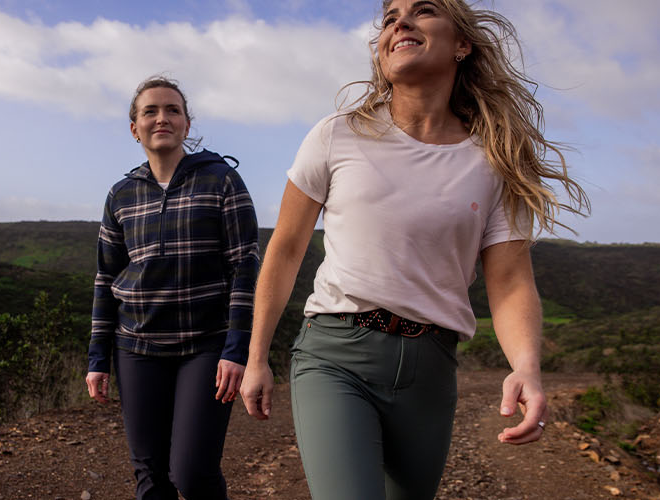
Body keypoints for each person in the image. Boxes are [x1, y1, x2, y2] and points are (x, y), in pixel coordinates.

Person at [233, 0, 585, 498]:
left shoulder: (493, 160)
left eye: (422, 10)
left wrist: (526, 366)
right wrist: (256, 356)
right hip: (336, 354)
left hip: (431, 366)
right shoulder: (338, 134)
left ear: (462, 44)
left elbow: (509, 281)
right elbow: (286, 249)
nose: (399, 21)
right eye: (390, 16)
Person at [87, 75, 260, 500]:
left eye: (172, 110)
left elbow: (245, 267)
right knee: (151, 477)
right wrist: (98, 357)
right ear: (135, 128)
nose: (161, 117)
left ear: (186, 124)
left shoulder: (221, 181)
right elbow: (106, 278)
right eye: (150, 111)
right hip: (136, 348)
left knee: (192, 473)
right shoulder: (121, 194)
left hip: (205, 346)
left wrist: (238, 349)